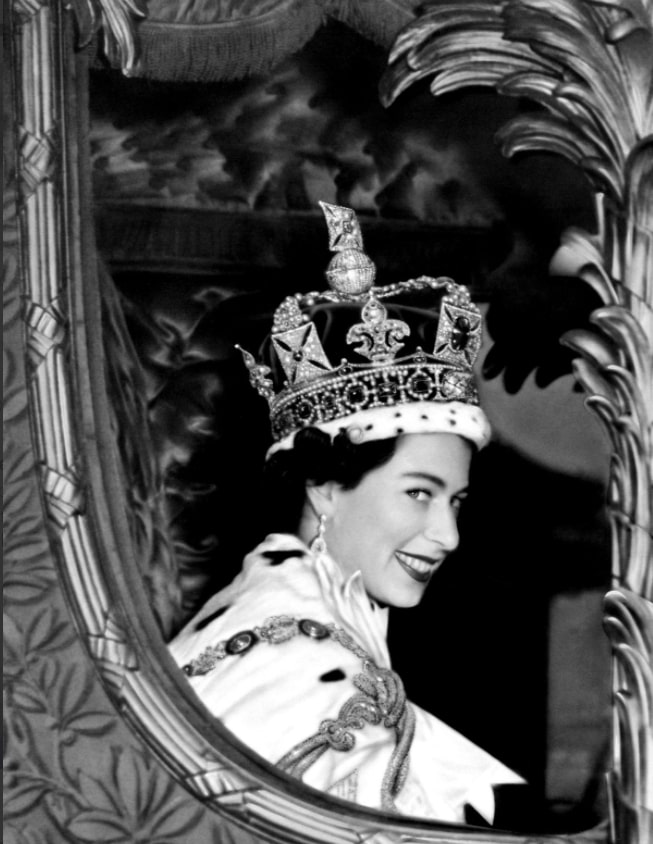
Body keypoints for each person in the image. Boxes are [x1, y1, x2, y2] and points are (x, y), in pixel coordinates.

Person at [169, 202, 523, 824]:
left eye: (456, 500)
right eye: (419, 492)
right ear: (325, 487)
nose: (448, 536)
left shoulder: (290, 614)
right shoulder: (305, 665)